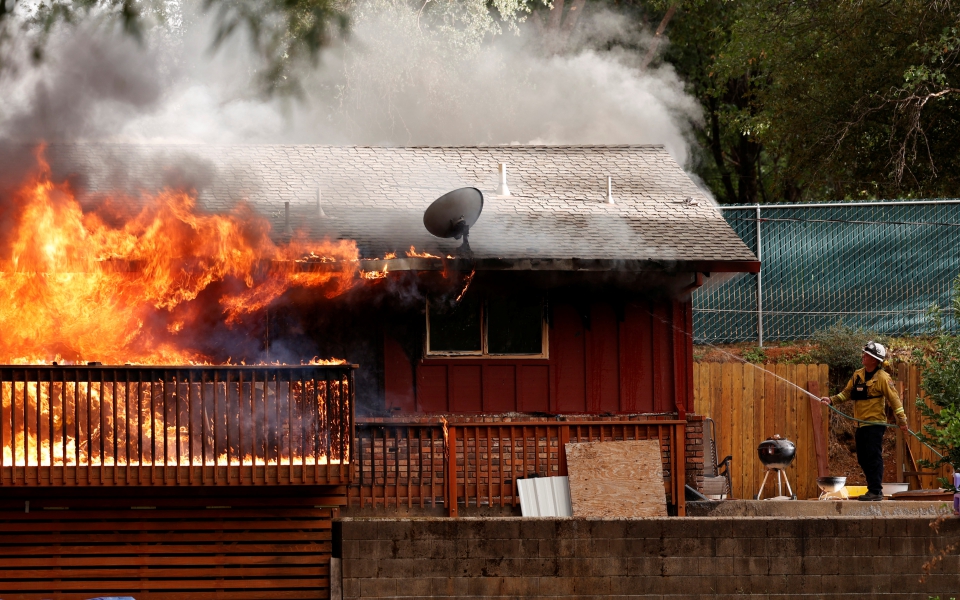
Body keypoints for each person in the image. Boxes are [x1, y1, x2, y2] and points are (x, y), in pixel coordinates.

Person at [820, 341, 908, 501]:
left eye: (866, 355)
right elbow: (846, 393)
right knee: (862, 458)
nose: (863, 356)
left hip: (875, 424)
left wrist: (902, 420)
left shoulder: (882, 378)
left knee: (874, 457)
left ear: (874, 360)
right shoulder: (857, 375)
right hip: (860, 424)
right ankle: (872, 489)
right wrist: (831, 400)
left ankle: (875, 491)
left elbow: (894, 400)